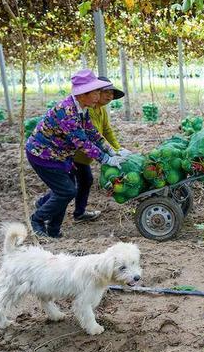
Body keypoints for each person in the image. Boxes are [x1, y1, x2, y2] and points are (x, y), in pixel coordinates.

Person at [26, 69, 125, 238]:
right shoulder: (68, 112)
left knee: (64, 192)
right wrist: (106, 159)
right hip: (43, 155)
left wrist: (111, 149)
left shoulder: (82, 108)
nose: (98, 96)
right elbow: (82, 142)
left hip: (61, 156)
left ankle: (53, 231)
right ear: (82, 94)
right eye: (95, 92)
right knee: (66, 191)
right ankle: (37, 219)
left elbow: (91, 132)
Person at [65, 76, 131, 223]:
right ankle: (43, 206)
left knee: (85, 181)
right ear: (95, 93)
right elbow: (92, 136)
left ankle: (79, 213)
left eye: (112, 93)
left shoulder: (101, 111)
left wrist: (117, 149)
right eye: (106, 92)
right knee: (66, 189)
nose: (110, 96)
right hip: (75, 156)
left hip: (85, 156)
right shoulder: (88, 111)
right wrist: (108, 156)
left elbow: (107, 132)